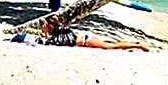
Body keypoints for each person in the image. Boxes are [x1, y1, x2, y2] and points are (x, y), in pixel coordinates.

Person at [10, 15, 149, 51]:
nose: (42, 27)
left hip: (86, 41)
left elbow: (49, 41)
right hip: (85, 37)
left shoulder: (57, 38)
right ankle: (134, 45)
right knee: (110, 45)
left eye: (44, 26)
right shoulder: (58, 34)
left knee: (110, 46)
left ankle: (138, 45)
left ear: (50, 27)